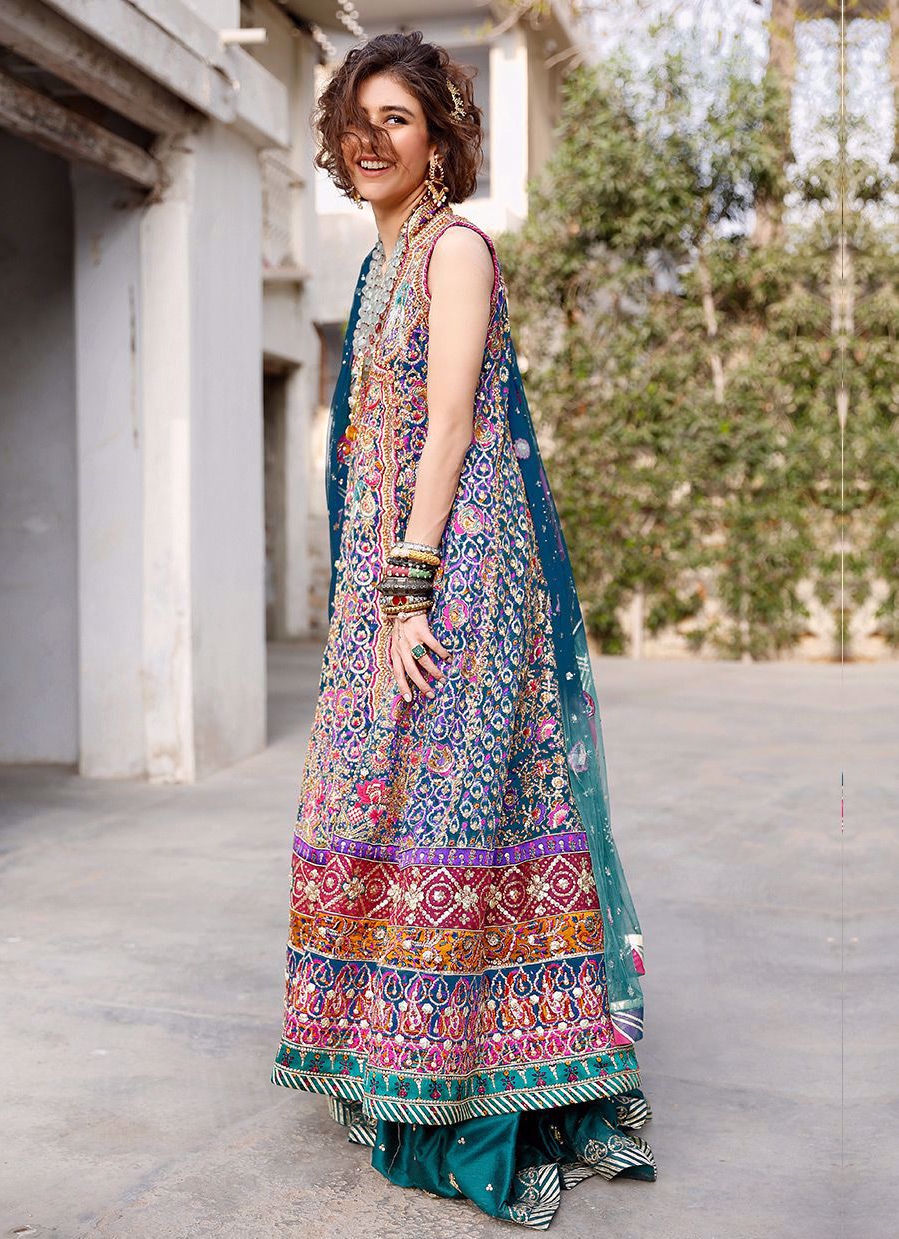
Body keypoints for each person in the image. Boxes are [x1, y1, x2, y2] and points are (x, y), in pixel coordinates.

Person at [271, 30, 657, 1228]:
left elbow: (447, 426)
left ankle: (476, 1085)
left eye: (397, 118)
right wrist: (372, 593)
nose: (369, 139)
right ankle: (395, 1056)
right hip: (387, 577)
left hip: (459, 579)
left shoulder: (454, 250)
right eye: (355, 120)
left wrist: (409, 589)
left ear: (439, 138)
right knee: (372, 798)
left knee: (452, 808)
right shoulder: (380, 261)